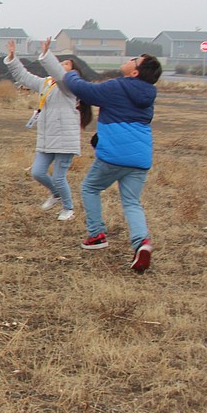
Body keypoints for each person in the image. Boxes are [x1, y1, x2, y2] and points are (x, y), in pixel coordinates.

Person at [61, 51, 160, 272]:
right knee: (132, 202)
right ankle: (142, 243)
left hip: (115, 154)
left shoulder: (118, 86)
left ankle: (96, 235)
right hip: (141, 156)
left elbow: (85, 91)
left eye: (133, 60)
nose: (129, 59)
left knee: (90, 187)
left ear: (135, 72)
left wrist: (70, 74)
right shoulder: (149, 93)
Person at [5, 38, 92, 221]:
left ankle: (68, 208)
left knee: (60, 177)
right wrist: (13, 58)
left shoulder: (70, 86)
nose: (62, 65)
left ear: (75, 72)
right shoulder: (47, 83)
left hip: (65, 138)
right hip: (47, 137)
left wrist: (46, 55)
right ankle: (56, 194)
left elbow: (60, 74)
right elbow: (24, 77)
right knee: (37, 172)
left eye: (66, 63)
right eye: (61, 62)